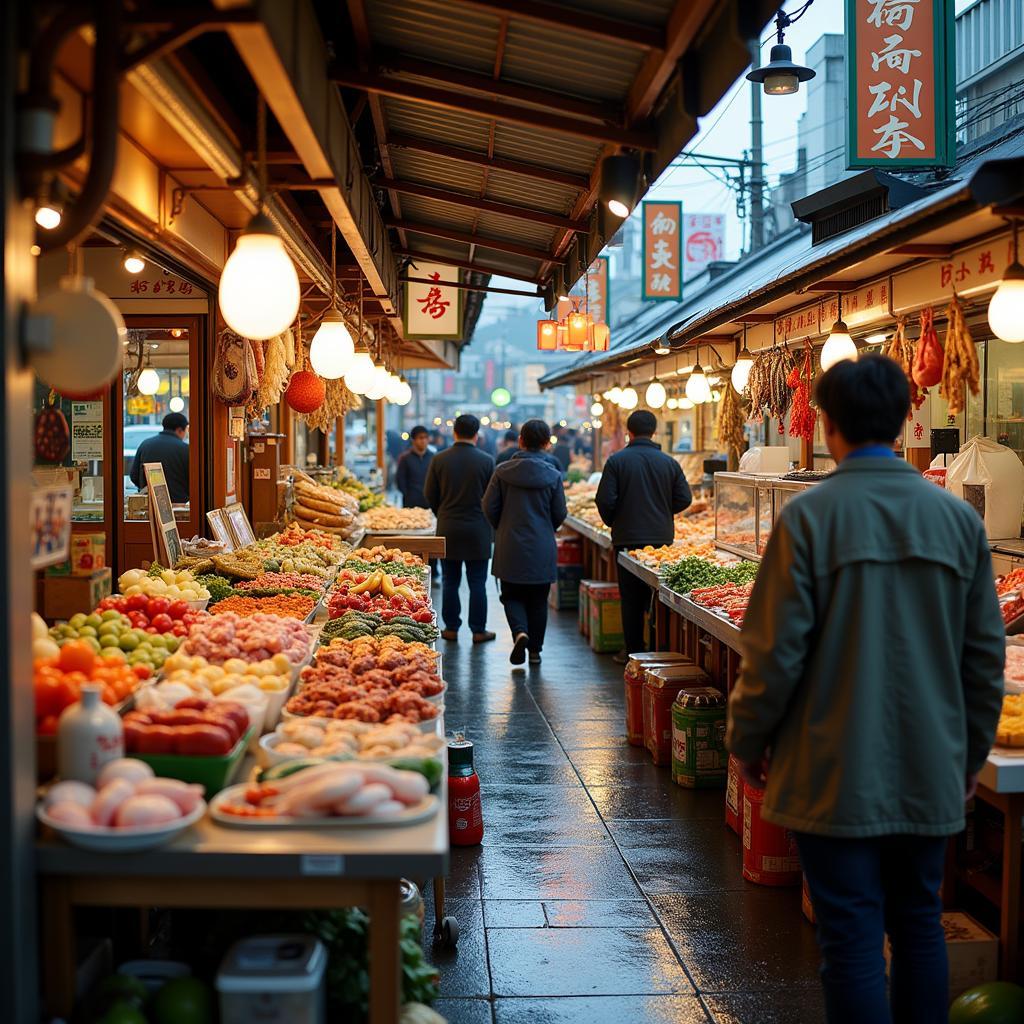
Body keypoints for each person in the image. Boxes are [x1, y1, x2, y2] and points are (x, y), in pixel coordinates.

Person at [726, 355, 1005, 1024]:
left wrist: (747, 739)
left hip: (831, 766)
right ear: (907, 415)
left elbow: (772, 653)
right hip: (929, 765)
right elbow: (984, 659)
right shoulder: (958, 521)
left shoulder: (809, 518)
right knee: (918, 924)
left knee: (849, 937)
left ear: (826, 424)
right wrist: (967, 758)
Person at [595, 410, 691, 662]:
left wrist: (614, 521)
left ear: (630, 431)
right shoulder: (669, 462)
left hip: (626, 538)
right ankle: (659, 650)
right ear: (654, 432)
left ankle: (634, 652)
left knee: (631, 598)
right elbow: (685, 498)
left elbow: (604, 499)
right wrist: (663, 512)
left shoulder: (616, 461)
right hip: (661, 541)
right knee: (659, 595)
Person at [483, 419, 567, 666]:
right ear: (546, 444)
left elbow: (488, 506)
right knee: (538, 599)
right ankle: (535, 652)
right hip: (542, 544)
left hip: (510, 542)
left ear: (520, 441)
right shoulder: (553, 475)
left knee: (511, 595)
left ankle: (520, 632)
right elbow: (560, 512)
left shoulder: (502, 471)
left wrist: (503, 526)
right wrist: (544, 527)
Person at [424, 413, 496, 643]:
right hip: (478, 528)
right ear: (477, 435)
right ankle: (478, 630)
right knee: (477, 582)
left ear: (454, 432)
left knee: (450, 580)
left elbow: (430, 494)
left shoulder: (439, 459)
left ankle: (451, 628)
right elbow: (493, 498)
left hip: (448, 527)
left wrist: (443, 512)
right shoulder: (486, 461)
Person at [129, 412, 190, 503]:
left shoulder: (145, 444)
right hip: (179, 505)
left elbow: (134, 476)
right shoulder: (186, 449)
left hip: (150, 504)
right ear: (180, 430)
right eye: (186, 430)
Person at [394, 426, 433, 509]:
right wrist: (407, 494)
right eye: (420, 438)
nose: (423, 441)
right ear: (413, 440)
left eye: (426, 437)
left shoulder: (433, 457)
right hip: (410, 502)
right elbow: (400, 479)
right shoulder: (405, 458)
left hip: (430, 502)